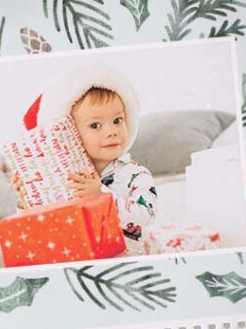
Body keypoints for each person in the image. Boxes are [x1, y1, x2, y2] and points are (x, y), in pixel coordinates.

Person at [13, 65, 157, 255]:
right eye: (95, 125)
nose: (111, 131)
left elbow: (146, 216)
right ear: (71, 133)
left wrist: (100, 195)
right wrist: (27, 201)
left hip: (125, 258)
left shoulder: (136, 174)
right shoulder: (65, 178)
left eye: (118, 120)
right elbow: (46, 226)